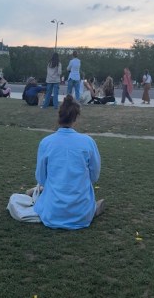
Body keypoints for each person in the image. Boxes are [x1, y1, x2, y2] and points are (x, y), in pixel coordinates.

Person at [32, 95, 104, 229]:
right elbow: (94, 176)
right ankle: (91, 208)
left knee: (36, 193)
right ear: (76, 118)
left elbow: (41, 178)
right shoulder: (88, 142)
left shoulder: (46, 142)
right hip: (81, 213)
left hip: (52, 213)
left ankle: (38, 193)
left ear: (59, 116)